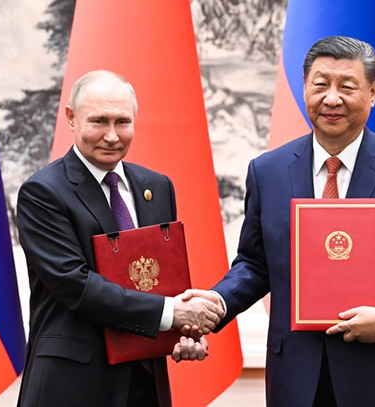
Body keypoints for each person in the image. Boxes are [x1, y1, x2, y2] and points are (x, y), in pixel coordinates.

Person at [184, 36, 375, 406]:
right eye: (320, 85)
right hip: (298, 376)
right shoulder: (268, 171)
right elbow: (255, 262)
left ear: (373, 93)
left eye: (347, 87)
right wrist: (218, 301)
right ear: (304, 88)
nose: (332, 98)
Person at [16, 70, 223, 407]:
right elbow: (76, 285)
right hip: (72, 386)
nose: (112, 136)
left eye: (122, 122)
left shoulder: (157, 187)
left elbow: (160, 281)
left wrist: (184, 333)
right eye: (99, 121)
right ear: (71, 117)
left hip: (145, 383)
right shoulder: (43, 192)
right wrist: (173, 314)